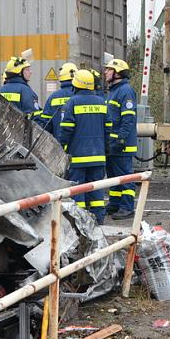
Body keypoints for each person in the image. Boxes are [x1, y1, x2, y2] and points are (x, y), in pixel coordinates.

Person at [59, 69, 110, 224]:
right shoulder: (102, 101)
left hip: (78, 157)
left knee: (78, 190)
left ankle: (80, 221)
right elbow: (108, 128)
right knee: (96, 188)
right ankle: (99, 219)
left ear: (76, 85)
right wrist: (106, 149)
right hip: (98, 155)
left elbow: (66, 129)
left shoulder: (72, 102)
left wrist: (62, 147)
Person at [104, 58, 138, 220]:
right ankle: (115, 203)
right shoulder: (113, 91)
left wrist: (120, 140)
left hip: (122, 145)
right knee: (113, 177)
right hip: (113, 144)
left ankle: (127, 207)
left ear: (117, 73)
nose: (105, 72)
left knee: (125, 177)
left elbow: (128, 120)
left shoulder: (125, 91)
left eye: (109, 70)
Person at [0, 55, 43, 123]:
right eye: (27, 70)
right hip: (21, 132)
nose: (31, 72)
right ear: (19, 72)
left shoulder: (0, 91)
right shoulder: (25, 91)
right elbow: (34, 117)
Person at [41, 62, 78, 139]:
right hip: (77, 145)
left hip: (58, 144)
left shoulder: (53, 97)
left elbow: (46, 124)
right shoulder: (78, 95)